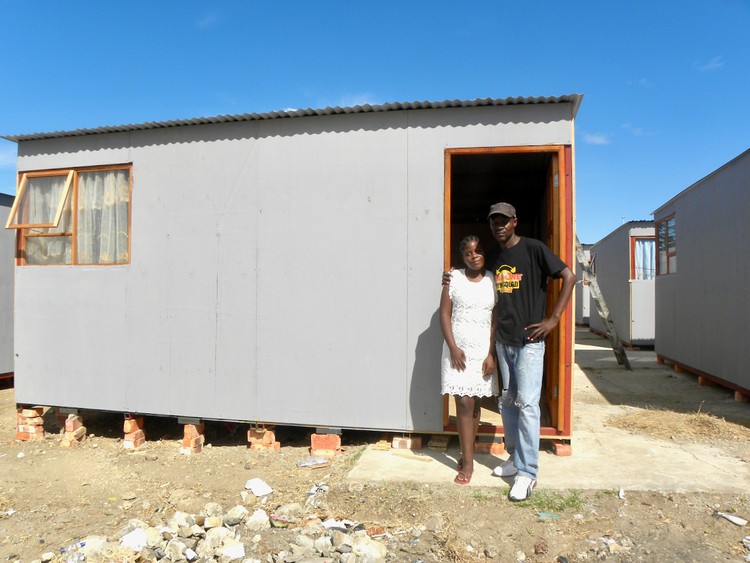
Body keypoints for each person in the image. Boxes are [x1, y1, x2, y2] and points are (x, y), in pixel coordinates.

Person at [444, 202, 575, 501]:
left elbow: (569, 276)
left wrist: (553, 319)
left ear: (515, 222)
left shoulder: (534, 248)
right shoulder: (496, 254)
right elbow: (471, 265)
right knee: (508, 403)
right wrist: (449, 275)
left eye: (504, 221)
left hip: (529, 343)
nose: (499, 226)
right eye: (494, 222)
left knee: (528, 405)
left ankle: (528, 473)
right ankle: (515, 458)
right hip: (504, 342)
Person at [440, 235, 499, 485]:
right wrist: (453, 347)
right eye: (468, 253)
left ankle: (467, 454)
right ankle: (469, 463)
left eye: (478, 251)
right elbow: (444, 314)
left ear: (484, 253)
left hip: (482, 351)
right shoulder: (453, 279)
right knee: (463, 402)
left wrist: (491, 353)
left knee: (474, 405)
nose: (473, 256)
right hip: (458, 350)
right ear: (462, 257)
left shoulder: (494, 280)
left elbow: (496, 319)